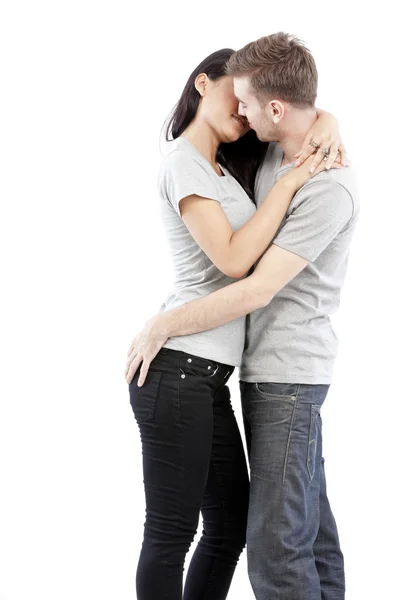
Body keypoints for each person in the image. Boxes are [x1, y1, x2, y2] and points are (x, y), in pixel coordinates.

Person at [126, 33, 358, 600]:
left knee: (255, 540)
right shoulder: (208, 160)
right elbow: (235, 258)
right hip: (198, 371)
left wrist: (326, 121)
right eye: (236, 101)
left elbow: (252, 284)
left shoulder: (279, 170)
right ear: (203, 85)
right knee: (186, 532)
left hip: (251, 375)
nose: (242, 114)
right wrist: (163, 324)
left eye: (249, 104)